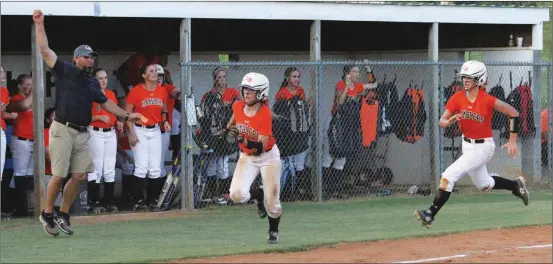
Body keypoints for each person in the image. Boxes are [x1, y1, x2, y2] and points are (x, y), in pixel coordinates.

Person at [33, 9, 145, 237]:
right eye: (86, 56)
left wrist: (125, 116)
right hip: (62, 128)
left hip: (83, 132)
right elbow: (44, 49)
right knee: (58, 175)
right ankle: (47, 213)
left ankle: (63, 214)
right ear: (76, 58)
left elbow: (106, 104)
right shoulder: (64, 69)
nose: (90, 59)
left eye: (92, 56)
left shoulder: (93, 83)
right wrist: (39, 23)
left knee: (80, 176)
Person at [414, 60, 529, 228]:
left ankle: (430, 213)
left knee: (448, 176)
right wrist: (450, 120)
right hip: (467, 145)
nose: (465, 80)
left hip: (484, 147)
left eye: (469, 78)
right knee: (483, 184)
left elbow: (514, 113)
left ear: (479, 80)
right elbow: (441, 122)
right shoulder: (457, 97)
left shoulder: (487, 100)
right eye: (464, 77)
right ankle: (515, 185)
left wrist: (512, 141)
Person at [224, 72, 282, 244]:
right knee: (236, 195)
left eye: (251, 90)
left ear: (261, 93)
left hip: (268, 157)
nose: (246, 93)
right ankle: (258, 195)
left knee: (272, 202)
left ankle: (273, 231)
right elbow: (232, 123)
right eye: (245, 89)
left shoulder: (264, 113)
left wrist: (242, 139)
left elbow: (260, 147)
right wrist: (226, 130)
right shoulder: (237, 105)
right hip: (247, 157)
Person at [322, 64, 376, 199]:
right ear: (347, 73)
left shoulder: (358, 86)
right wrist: (347, 86)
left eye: (358, 71)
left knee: (342, 157)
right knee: (329, 155)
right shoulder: (340, 84)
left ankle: (336, 189)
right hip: (336, 122)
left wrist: (369, 70)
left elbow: (374, 85)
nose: (358, 74)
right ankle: (324, 190)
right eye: (355, 71)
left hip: (348, 124)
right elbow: (339, 102)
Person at [125, 64, 171, 212]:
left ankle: (153, 201)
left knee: (155, 168)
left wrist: (165, 122)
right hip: (140, 130)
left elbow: (163, 110)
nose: (155, 73)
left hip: (156, 130)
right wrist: (131, 133)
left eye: (156, 71)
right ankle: (137, 201)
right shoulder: (136, 91)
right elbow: (127, 115)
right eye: (151, 71)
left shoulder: (161, 90)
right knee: (141, 167)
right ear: (144, 75)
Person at [199, 67, 239, 203]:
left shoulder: (233, 92)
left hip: (227, 132)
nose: (222, 80)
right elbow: (204, 114)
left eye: (224, 77)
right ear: (215, 79)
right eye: (219, 77)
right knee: (211, 163)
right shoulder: (209, 95)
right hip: (213, 133)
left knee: (223, 163)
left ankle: (223, 194)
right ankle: (211, 194)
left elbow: (239, 110)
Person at [272, 67, 310, 201]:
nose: (297, 79)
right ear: (287, 78)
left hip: (301, 132)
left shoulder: (301, 91)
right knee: (289, 163)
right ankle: (287, 192)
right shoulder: (282, 93)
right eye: (294, 77)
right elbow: (279, 115)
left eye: (298, 76)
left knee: (300, 163)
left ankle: (300, 190)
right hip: (288, 134)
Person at [87, 68, 121, 214]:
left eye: (105, 77)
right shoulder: (89, 94)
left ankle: (108, 200)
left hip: (110, 132)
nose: (103, 81)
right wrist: (98, 117)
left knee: (109, 168)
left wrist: (118, 121)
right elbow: (82, 116)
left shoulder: (111, 94)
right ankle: (94, 201)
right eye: (100, 78)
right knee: (96, 168)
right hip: (95, 132)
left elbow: (115, 112)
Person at [6, 74, 35, 216]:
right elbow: (23, 106)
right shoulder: (15, 98)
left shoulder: (33, 99)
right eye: (27, 85)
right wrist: (36, 91)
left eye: (31, 84)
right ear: (20, 85)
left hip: (33, 141)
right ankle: (19, 209)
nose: (29, 88)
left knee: (28, 175)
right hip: (20, 140)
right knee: (20, 175)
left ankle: (21, 206)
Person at [154, 64, 180, 190]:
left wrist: (180, 93)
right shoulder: (146, 89)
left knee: (158, 163)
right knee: (150, 164)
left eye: (160, 75)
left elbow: (175, 91)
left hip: (163, 131)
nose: (158, 78)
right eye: (155, 75)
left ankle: (160, 193)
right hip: (147, 130)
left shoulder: (167, 88)